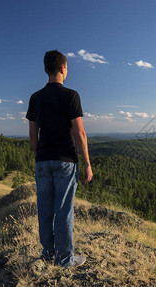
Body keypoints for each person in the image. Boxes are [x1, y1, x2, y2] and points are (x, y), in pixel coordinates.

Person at [26, 49, 93, 268]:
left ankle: (48, 254)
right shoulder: (71, 95)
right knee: (64, 210)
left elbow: (32, 134)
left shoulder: (35, 97)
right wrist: (87, 164)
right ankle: (65, 260)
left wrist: (39, 155)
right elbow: (79, 133)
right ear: (63, 68)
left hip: (43, 160)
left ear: (46, 69)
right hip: (66, 161)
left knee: (44, 209)